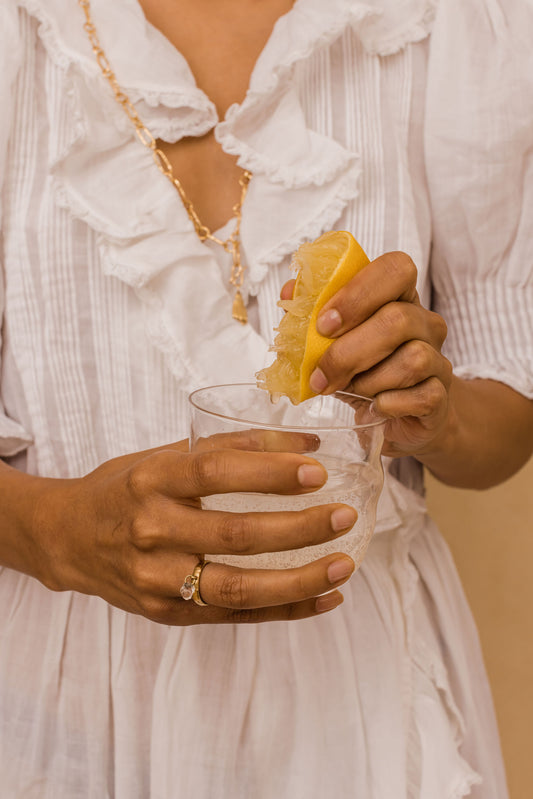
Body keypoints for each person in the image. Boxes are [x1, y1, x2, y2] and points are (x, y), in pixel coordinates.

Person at [0, 0, 531, 796]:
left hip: (362, 698)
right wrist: (51, 532)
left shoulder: (453, 23)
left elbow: (508, 413)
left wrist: (436, 408)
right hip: (59, 709)